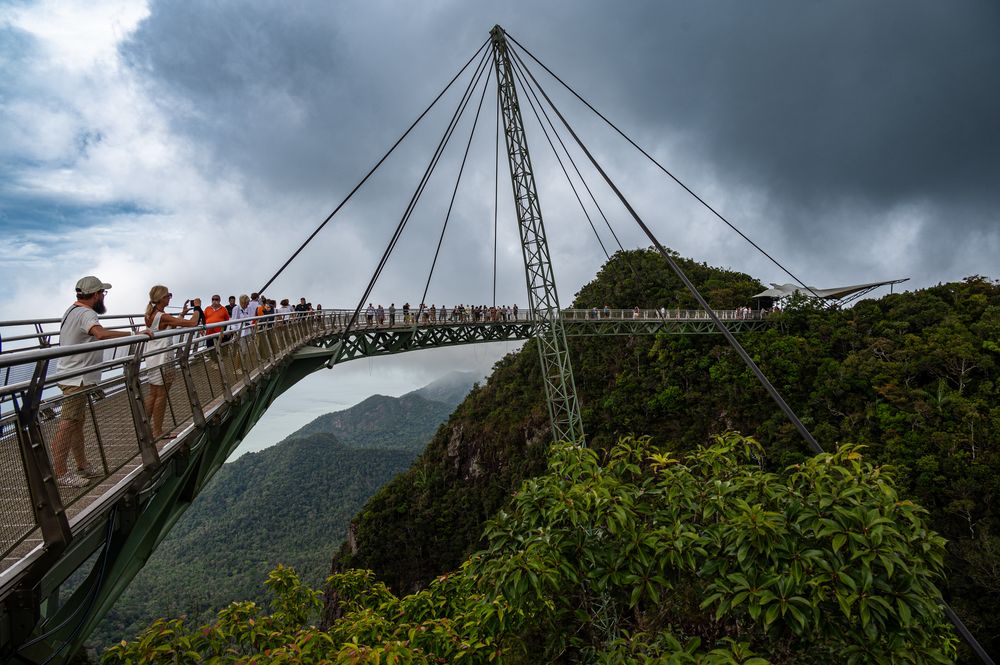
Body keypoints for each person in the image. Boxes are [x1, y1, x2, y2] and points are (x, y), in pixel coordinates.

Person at [52, 276, 153, 488]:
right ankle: (60, 473)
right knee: (69, 423)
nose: (103, 298)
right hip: (76, 378)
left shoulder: (71, 310)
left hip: (70, 374)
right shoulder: (87, 313)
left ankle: (82, 465)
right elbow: (99, 334)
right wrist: (135, 334)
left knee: (77, 423)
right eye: (103, 294)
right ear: (96, 294)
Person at [143, 286, 200, 440]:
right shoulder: (162, 315)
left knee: (153, 393)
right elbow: (192, 323)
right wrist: (197, 308)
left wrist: (181, 314)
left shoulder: (150, 314)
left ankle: (145, 429)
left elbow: (166, 327)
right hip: (163, 357)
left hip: (152, 356)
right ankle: (158, 431)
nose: (170, 298)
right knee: (162, 395)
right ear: (161, 298)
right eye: (168, 295)